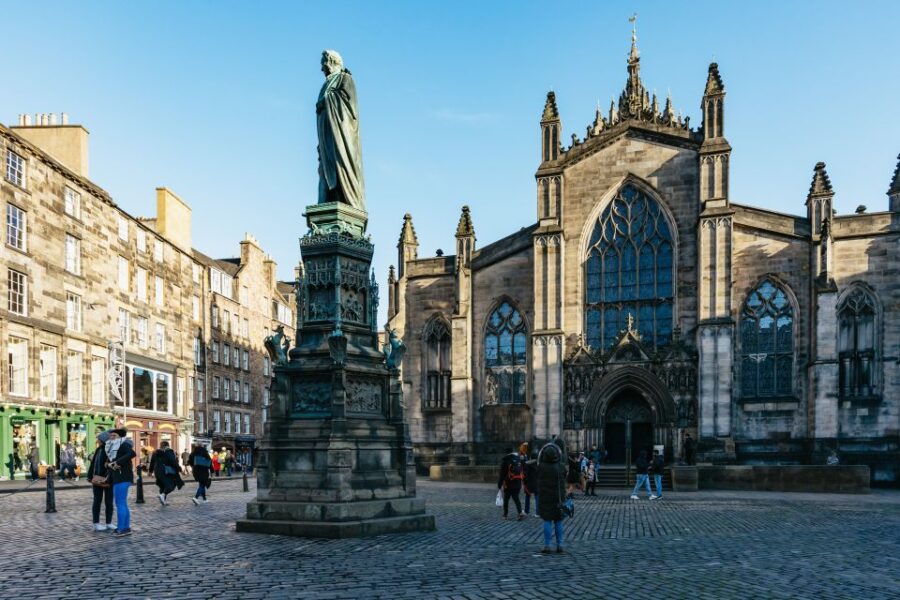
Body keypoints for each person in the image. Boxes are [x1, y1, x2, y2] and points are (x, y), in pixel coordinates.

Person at [317, 49, 366, 210]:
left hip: (341, 137)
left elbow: (348, 107)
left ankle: (345, 199)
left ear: (331, 62)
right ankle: (326, 201)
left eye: (323, 63)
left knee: (341, 167)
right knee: (325, 170)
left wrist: (326, 99)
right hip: (327, 138)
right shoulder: (328, 83)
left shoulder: (345, 79)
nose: (321, 68)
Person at [536, 443, 567, 554]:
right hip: (558, 497)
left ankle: (547, 545)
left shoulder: (541, 467)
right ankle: (560, 545)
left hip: (545, 497)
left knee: (547, 520)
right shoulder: (561, 466)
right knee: (558, 521)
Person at [105, 429, 136, 536]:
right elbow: (110, 463)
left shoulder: (123, 444)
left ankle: (121, 528)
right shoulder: (114, 447)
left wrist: (117, 462)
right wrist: (110, 464)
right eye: (111, 435)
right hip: (120, 477)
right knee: (122, 503)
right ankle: (126, 527)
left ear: (120, 436)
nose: (111, 437)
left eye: (114, 435)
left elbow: (132, 453)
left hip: (122, 477)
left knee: (120, 503)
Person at [87, 432, 114, 531]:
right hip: (99, 479)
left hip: (107, 479)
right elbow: (94, 464)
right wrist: (90, 476)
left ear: (103, 440)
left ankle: (108, 522)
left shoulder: (109, 450)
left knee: (109, 502)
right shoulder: (99, 449)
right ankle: (96, 523)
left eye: (98, 439)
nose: (96, 440)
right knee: (98, 501)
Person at [149, 441, 183, 506]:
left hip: (157, 471)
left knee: (162, 486)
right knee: (172, 485)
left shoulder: (155, 452)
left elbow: (152, 462)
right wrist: (179, 469)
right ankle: (163, 495)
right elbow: (173, 461)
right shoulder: (169, 451)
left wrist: (150, 472)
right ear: (167, 446)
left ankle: (163, 501)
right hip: (166, 471)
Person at [497, 447, 525, 520]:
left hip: (508, 483)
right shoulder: (518, 459)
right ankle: (520, 513)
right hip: (518, 482)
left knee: (506, 499)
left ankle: (505, 515)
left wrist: (499, 485)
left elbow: (502, 475)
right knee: (516, 498)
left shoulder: (505, 460)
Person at [523, 451, 539, 517]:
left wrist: (524, 482)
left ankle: (526, 511)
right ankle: (538, 513)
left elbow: (525, 475)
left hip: (529, 483)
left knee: (527, 497)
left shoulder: (527, 464)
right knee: (537, 497)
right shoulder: (539, 464)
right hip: (537, 483)